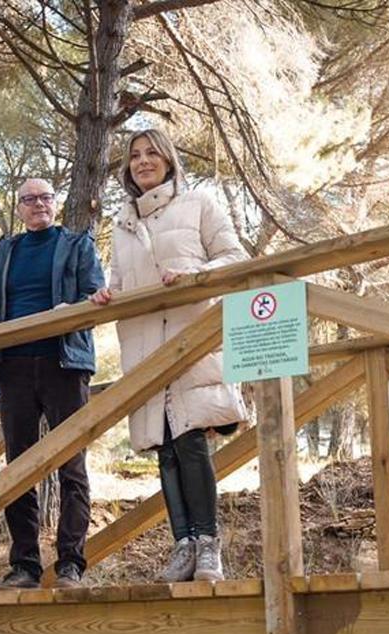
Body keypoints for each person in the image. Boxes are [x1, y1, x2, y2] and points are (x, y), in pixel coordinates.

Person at [91, 128, 249, 582]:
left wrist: (195, 274)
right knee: (164, 448)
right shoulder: (122, 222)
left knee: (191, 441)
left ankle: (208, 546)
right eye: (134, 156)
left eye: (151, 153)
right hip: (144, 344)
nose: (142, 162)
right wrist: (109, 295)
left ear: (168, 159)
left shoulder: (199, 204)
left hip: (191, 337)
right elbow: (122, 280)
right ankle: (182, 544)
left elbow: (233, 257)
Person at [0, 179, 105, 590]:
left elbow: (97, 295)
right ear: (19, 207)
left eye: (46, 198)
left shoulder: (76, 246)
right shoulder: (4, 253)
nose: (39, 204)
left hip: (64, 362)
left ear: (56, 204)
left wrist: (74, 310)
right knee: (19, 467)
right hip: (12, 366)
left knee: (72, 465)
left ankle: (70, 563)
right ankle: (25, 565)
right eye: (30, 199)